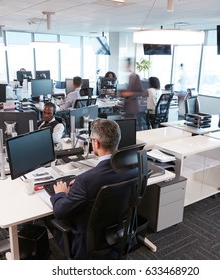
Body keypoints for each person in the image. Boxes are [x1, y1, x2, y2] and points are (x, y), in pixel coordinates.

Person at [49, 118, 138, 259]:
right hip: (118, 234)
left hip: (87, 244)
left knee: (48, 218)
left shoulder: (86, 180)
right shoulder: (134, 168)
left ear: (96, 143)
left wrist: (60, 194)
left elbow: (60, 211)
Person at [120, 58, 148, 130]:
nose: (125, 66)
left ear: (130, 65)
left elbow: (141, 92)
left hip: (132, 107)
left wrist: (129, 94)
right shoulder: (130, 76)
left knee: (131, 129)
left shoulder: (135, 76)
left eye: (126, 64)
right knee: (127, 128)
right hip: (127, 107)